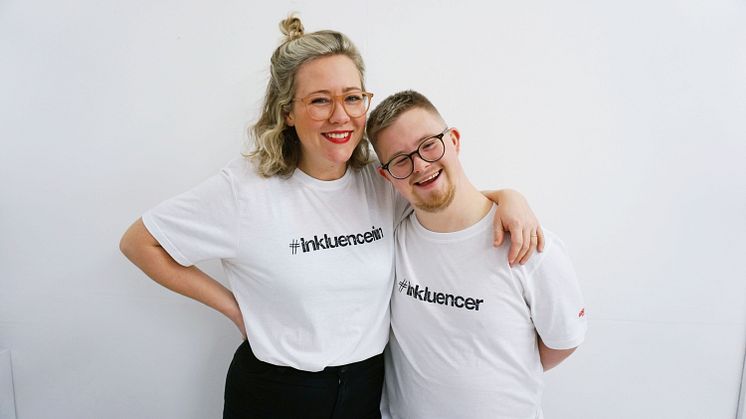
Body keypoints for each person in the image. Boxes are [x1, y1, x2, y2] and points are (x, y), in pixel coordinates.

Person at [119, 16, 543, 419]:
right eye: (320, 100)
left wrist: (508, 197)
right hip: (275, 394)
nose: (341, 116)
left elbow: (441, 198)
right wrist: (234, 309)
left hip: (367, 388)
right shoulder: (244, 190)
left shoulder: (377, 182)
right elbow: (140, 242)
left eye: (352, 98)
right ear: (287, 111)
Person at [366, 90, 587, 419]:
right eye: (400, 160)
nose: (421, 165)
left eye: (429, 144)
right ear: (387, 176)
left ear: (453, 140)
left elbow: (562, 342)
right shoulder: (392, 239)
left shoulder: (531, 246)